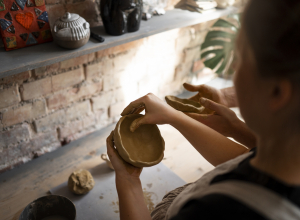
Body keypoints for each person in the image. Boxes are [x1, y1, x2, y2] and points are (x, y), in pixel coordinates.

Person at [106, 0, 300, 219]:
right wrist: (234, 127)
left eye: (240, 57)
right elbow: (243, 157)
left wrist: (128, 181)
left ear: (277, 92)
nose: (234, 67)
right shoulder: (284, 154)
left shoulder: (216, 210)